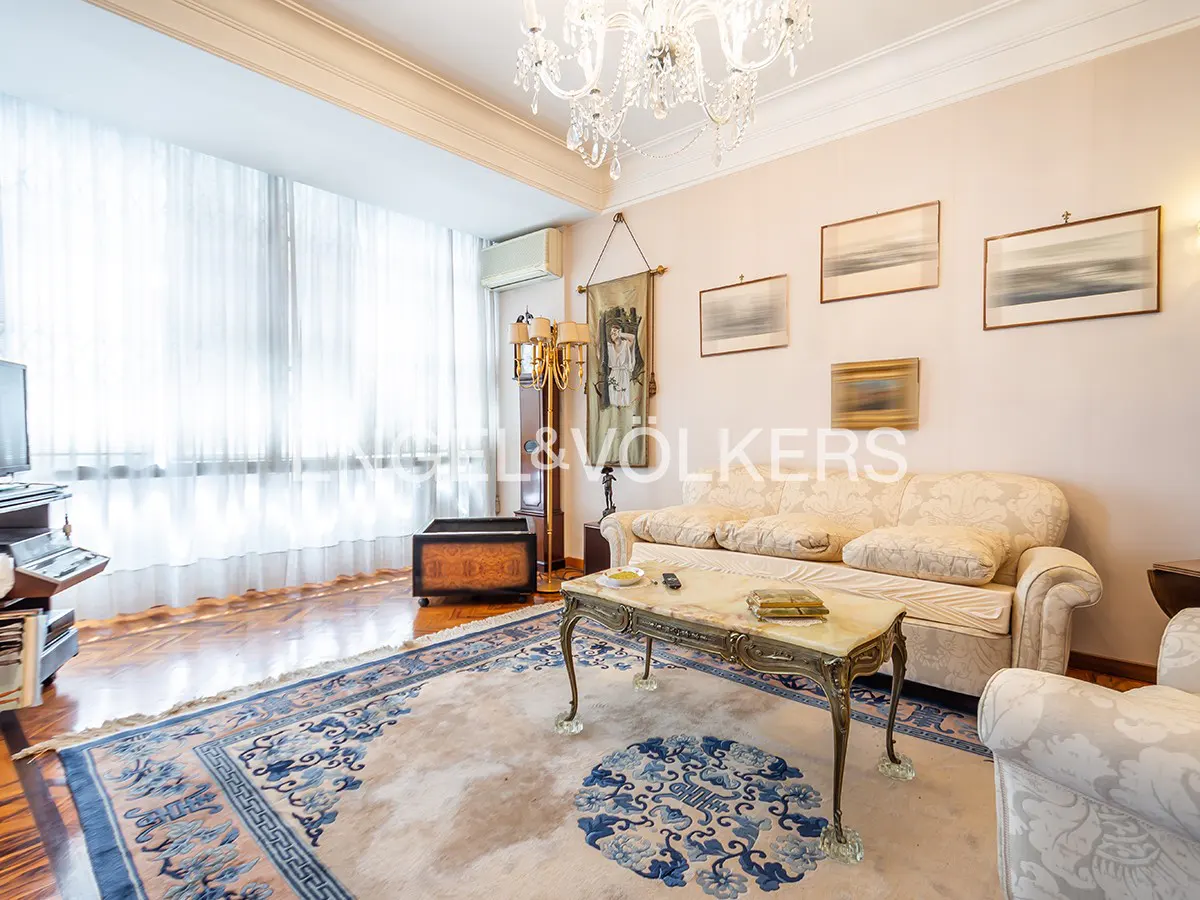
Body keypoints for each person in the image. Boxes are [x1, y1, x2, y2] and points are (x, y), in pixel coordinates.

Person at [606, 324, 636, 408]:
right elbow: (596, 345)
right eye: (611, 333)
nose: (613, 334)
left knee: (624, 399)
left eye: (615, 331)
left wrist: (620, 334)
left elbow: (633, 338)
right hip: (614, 375)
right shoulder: (609, 347)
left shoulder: (626, 344)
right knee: (614, 399)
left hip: (624, 375)